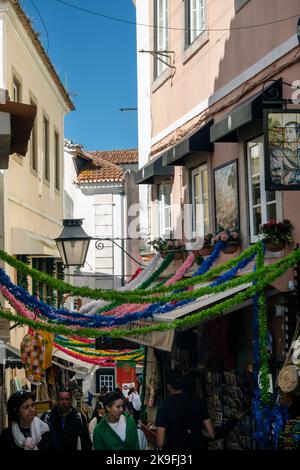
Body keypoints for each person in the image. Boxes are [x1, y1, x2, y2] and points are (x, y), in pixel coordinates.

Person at [155, 370, 215, 451]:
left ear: (168, 386)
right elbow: (211, 434)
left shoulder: (163, 408)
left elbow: (160, 442)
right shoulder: (198, 403)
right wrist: (198, 431)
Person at [270, 120, 300, 185]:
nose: (287, 134)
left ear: (297, 134)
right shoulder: (277, 153)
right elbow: (276, 175)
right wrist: (295, 176)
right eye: (286, 131)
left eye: (290, 131)